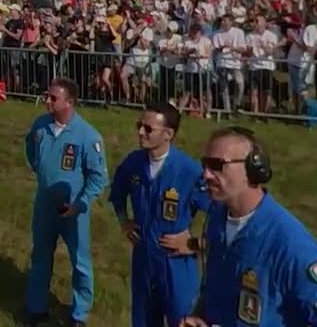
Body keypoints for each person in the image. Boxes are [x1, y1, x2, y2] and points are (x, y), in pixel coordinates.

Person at [180, 127, 317, 327]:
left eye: (216, 165)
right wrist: (199, 317)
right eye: (205, 165)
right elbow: (213, 286)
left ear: (253, 169)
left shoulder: (290, 243)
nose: (206, 174)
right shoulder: (217, 218)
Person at [109, 103, 210, 326]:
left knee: (182, 321)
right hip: (144, 259)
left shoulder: (188, 171)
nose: (140, 132)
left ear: (168, 134)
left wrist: (195, 244)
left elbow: (221, 216)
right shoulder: (133, 163)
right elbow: (116, 194)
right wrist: (124, 221)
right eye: (139, 126)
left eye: (148, 128)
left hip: (175, 263)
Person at [23, 77, 108, 326]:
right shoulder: (40, 126)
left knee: (80, 262)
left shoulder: (88, 136)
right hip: (45, 204)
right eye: (47, 96)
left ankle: (79, 314)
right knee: (40, 256)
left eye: (53, 98)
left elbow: (98, 178)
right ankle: (36, 308)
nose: (47, 101)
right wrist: (40, 169)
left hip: (73, 209)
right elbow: (31, 148)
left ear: (69, 103)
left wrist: (80, 205)